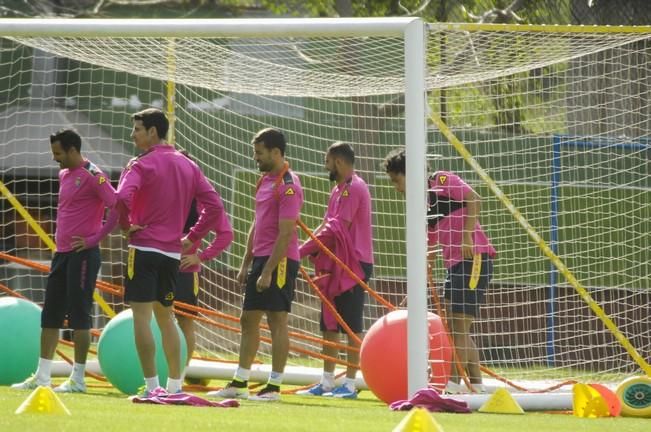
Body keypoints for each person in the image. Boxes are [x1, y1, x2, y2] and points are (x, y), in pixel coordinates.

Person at [115, 108, 224, 397]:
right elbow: (215, 206)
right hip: (172, 255)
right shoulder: (188, 164)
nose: (132, 134)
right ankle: (175, 387)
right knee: (167, 319)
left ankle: (152, 387)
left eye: (137, 129)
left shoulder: (139, 164)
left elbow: (121, 199)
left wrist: (127, 227)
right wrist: (193, 237)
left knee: (141, 317)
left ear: (153, 132)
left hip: (144, 248)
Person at [11, 129, 117, 393]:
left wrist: (94, 239)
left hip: (83, 256)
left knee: (80, 315)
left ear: (72, 150)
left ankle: (78, 379)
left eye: (58, 153)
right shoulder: (63, 174)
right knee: (50, 315)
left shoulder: (95, 175)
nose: (55, 159)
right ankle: (42, 376)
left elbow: (116, 206)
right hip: (61, 254)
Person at [382, 148, 496, 393]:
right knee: (456, 328)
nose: (396, 188)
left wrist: (467, 236)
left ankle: (453, 388)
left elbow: (475, 198)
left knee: (460, 329)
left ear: (409, 174)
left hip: (473, 258)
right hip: (454, 266)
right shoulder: (422, 206)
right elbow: (430, 245)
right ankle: (478, 389)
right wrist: (419, 283)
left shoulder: (442, 181)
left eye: (397, 180)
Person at [209, 128, 303, 402]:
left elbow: (286, 233)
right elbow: (257, 222)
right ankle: (240, 381)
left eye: (259, 153)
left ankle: (274, 387)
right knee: (248, 319)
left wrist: (269, 270)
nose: (256, 159)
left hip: (280, 260)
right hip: (261, 258)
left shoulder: (288, 184)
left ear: (276, 152)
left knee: (277, 320)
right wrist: (245, 263)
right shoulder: (264, 181)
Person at [296, 142, 373, 399]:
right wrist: (307, 247)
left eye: (327, 161)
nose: (325, 166)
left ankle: (350, 384)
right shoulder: (337, 189)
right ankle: (327, 381)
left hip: (354, 265)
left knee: (351, 326)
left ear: (338, 162)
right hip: (336, 263)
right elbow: (325, 226)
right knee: (328, 324)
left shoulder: (354, 188)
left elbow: (336, 229)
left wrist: (302, 250)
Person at [177, 194, 233, 373]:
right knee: (155, 317)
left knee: (185, 321)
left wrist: (200, 257)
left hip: (185, 273)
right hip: (156, 267)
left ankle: (180, 374)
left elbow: (226, 234)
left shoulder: (205, 199)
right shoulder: (164, 188)